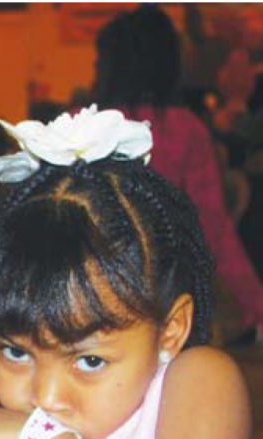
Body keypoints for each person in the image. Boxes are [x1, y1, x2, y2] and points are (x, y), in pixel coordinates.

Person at [0, 106, 259, 439]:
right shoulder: (1, 422)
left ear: (171, 330)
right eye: (15, 352)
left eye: (89, 361)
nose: (45, 398)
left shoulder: (198, 384)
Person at [93, 5, 263, 343]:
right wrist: (256, 307)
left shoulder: (83, 126)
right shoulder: (186, 130)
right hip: (166, 301)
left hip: (96, 292)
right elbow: (214, 228)